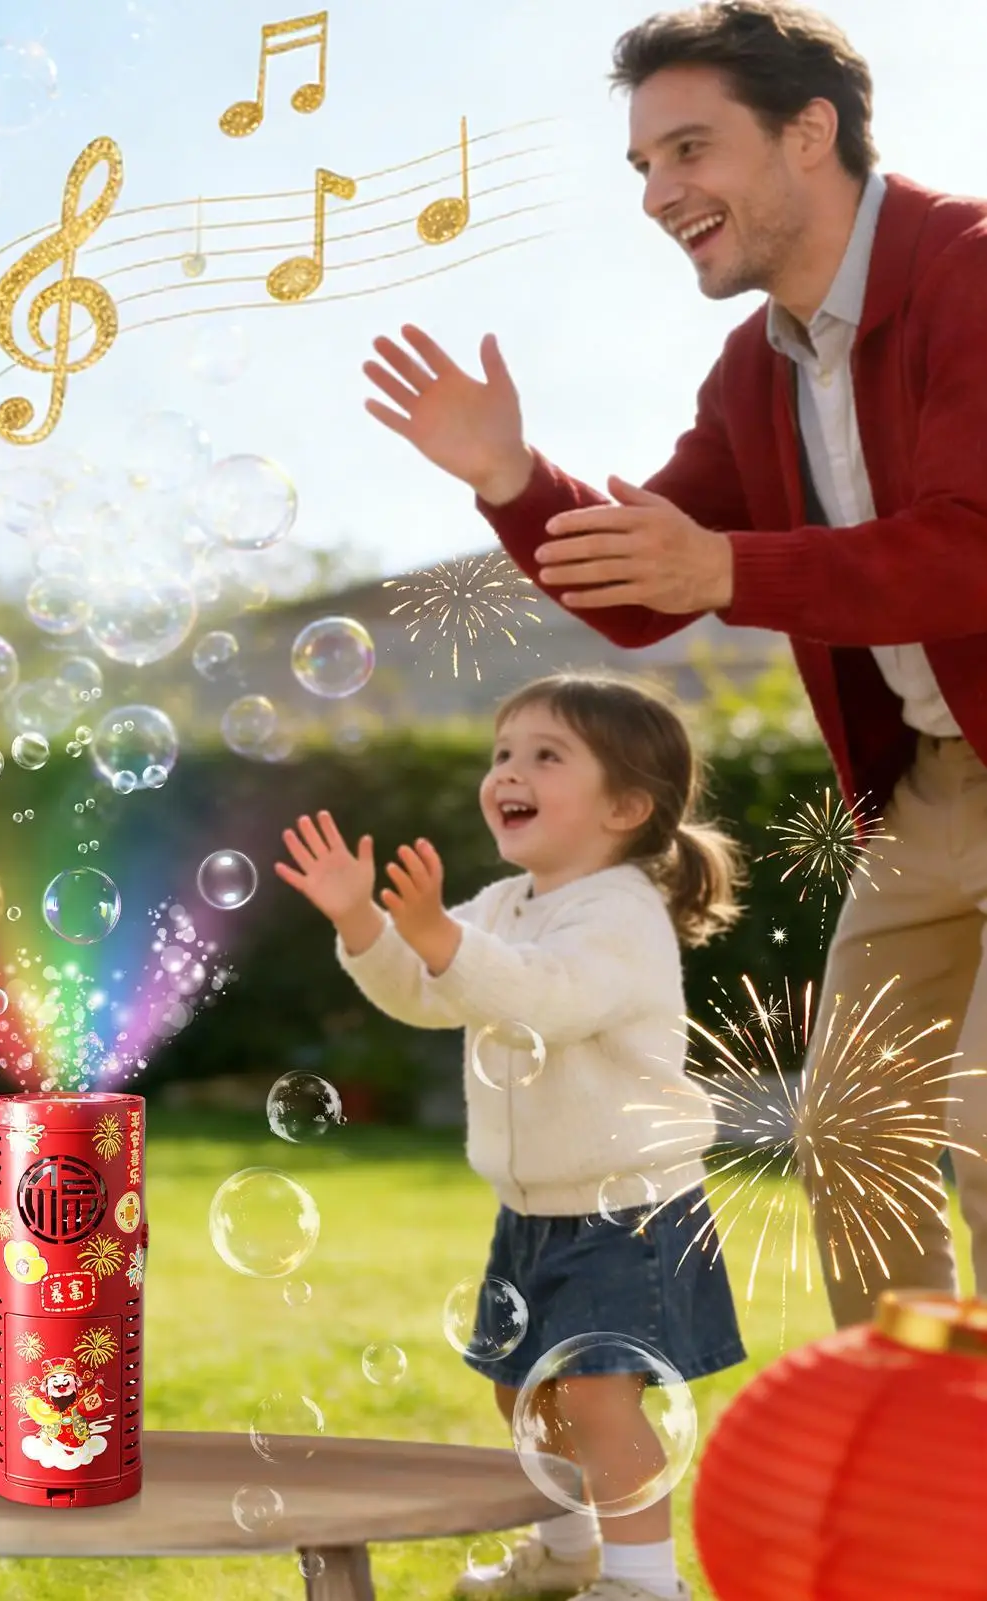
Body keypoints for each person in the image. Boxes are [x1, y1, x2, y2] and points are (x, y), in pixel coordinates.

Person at [362, 0, 987, 1332]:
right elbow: (649, 584)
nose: (657, 192)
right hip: (934, 788)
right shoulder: (754, 372)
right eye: (643, 164)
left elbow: (970, 545)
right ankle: (917, 1449)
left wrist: (728, 569)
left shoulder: (970, 271)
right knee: (851, 1133)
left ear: (807, 131)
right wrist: (513, 480)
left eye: (689, 149)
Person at [277, 672, 746, 1601]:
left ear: (624, 806)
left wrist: (437, 938)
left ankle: (645, 1583)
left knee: (596, 1396)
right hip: (534, 1209)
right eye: (501, 753)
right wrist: (363, 920)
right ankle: (566, 1553)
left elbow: (545, 998)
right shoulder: (503, 903)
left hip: (628, 1208)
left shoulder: (619, 911)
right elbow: (424, 993)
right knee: (520, 1389)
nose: (507, 772)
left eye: (545, 755)